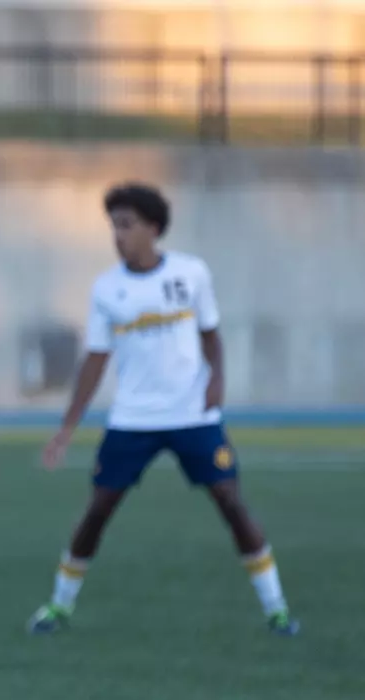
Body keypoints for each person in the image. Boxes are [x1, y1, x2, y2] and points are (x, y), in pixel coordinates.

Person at [29, 182, 298, 636]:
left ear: (153, 229)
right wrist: (66, 429)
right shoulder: (107, 290)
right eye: (113, 225)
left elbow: (211, 335)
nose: (118, 235)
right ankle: (59, 606)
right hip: (133, 420)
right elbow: (95, 360)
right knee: (98, 509)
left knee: (231, 501)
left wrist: (217, 379)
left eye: (127, 225)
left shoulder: (191, 274)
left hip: (193, 415)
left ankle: (277, 609)